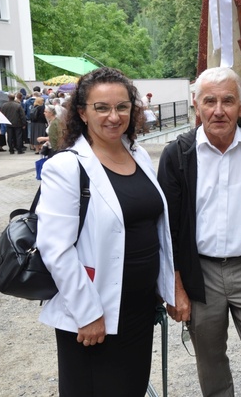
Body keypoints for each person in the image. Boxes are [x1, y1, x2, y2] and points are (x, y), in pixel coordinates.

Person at [35, 67, 176, 396]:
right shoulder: (67, 167)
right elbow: (55, 248)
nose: (114, 116)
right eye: (102, 108)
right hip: (95, 310)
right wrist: (88, 314)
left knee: (131, 388)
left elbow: (153, 226)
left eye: (122, 107)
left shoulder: (138, 154)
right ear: (82, 113)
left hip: (138, 307)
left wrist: (165, 287)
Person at [157, 67, 241, 397]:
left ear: (240, 107)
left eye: (228, 101)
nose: (218, 110)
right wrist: (175, 287)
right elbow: (168, 229)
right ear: (196, 105)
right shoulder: (178, 155)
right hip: (200, 274)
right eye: (210, 101)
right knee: (210, 360)